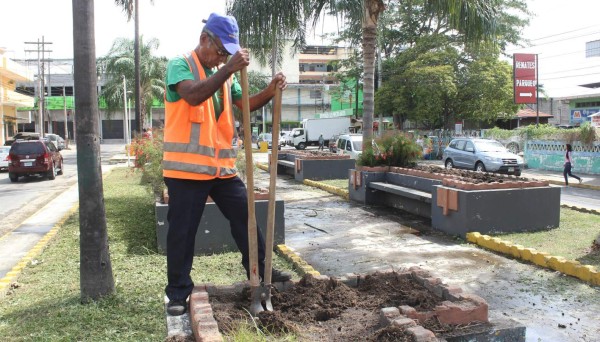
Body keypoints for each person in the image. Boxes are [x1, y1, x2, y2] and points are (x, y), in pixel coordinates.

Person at [162, 12, 290, 316]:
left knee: (246, 218)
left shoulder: (227, 75)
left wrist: (271, 90)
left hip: (221, 169)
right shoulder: (180, 65)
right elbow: (193, 95)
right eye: (220, 52)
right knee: (183, 231)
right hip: (186, 170)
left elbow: (245, 104)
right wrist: (228, 68)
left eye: (226, 55)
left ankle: (260, 273)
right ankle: (178, 293)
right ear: (205, 39)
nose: (221, 59)